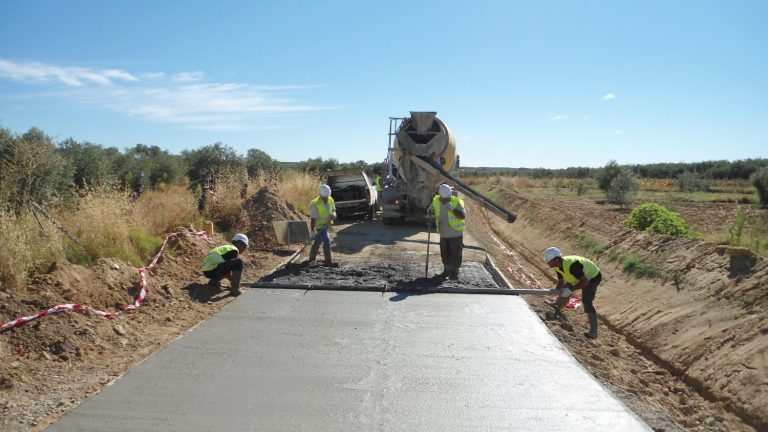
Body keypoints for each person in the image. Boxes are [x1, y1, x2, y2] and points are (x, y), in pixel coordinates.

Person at [543, 247, 602, 339]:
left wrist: (570, 290)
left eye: (549, 261)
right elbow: (561, 282)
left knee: (587, 301)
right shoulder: (558, 266)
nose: (547, 263)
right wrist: (557, 289)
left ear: (557, 259)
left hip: (592, 277)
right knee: (565, 288)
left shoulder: (572, 266)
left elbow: (585, 282)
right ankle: (556, 306)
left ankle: (593, 332)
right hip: (577, 276)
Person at [428, 184, 466, 280]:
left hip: (455, 234)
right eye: (444, 199)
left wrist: (452, 209)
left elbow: (462, 216)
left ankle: (454, 273)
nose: (446, 200)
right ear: (440, 196)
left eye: (447, 198)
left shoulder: (457, 201)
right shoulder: (436, 200)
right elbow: (432, 207)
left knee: (455, 254)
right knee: (445, 253)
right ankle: (446, 271)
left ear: (450, 195)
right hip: (443, 233)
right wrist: (430, 209)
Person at [308, 184, 338, 267]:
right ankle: (328, 261)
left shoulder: (330, 199)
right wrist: (312, 231)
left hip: (326, 225)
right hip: (319, 226)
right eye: (324, 196)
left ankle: (311, 259)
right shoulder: (315, 203)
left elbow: (333, 209)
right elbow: (313, 219)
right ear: (320, 194)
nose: (326, 198)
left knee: (317, 243)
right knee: (327, 241)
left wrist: (334, 214)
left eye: (327, 196)